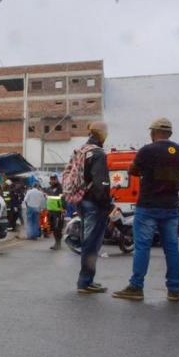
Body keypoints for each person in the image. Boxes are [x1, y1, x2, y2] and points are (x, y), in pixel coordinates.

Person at [113, 118, 179, 302]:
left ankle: (136, 287)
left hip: (148, 206)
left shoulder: (147, 150)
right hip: (171, 207)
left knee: (142, 247)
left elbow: (133, 170)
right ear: (170, 133)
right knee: (172, 248)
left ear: (153, 133)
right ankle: (174, 289)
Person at [76, 121, 111, 294]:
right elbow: (100, 184)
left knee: (87, 241)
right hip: (95, 204)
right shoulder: (98, 153)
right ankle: (85, 282)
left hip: (82, 201)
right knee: (92, 243)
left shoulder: (82, 150)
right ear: (102, 134)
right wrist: (106, 204)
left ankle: (86, 280)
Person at [45, 174, 65, 250]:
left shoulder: (60, 188)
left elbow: (63, 199)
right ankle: (56, 242)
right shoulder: (48, 189)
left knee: (58, 228)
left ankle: (58, 243)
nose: (53, 181)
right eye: (51, 179)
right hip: (50, 211)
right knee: (53, 227)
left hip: (58, 211)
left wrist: (64, 208)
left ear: (57, 180)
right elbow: (47, 199)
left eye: (54, 179)